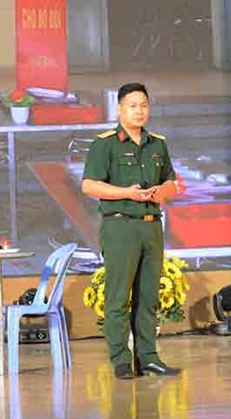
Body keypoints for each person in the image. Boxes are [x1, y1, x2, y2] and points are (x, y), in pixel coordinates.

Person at [81, 82, 181, 379]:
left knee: (148, 296)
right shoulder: (105, 144)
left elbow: (172, 182)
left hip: (151, 226)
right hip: (120, 225)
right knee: (118, 297)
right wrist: (127, 193)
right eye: (133, 106)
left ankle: (148, 357)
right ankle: (121, 360)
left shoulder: (158, 144)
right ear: (120, 109)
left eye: (144, 105)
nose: (139, 111)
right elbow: (89, 185)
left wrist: (162, 191)